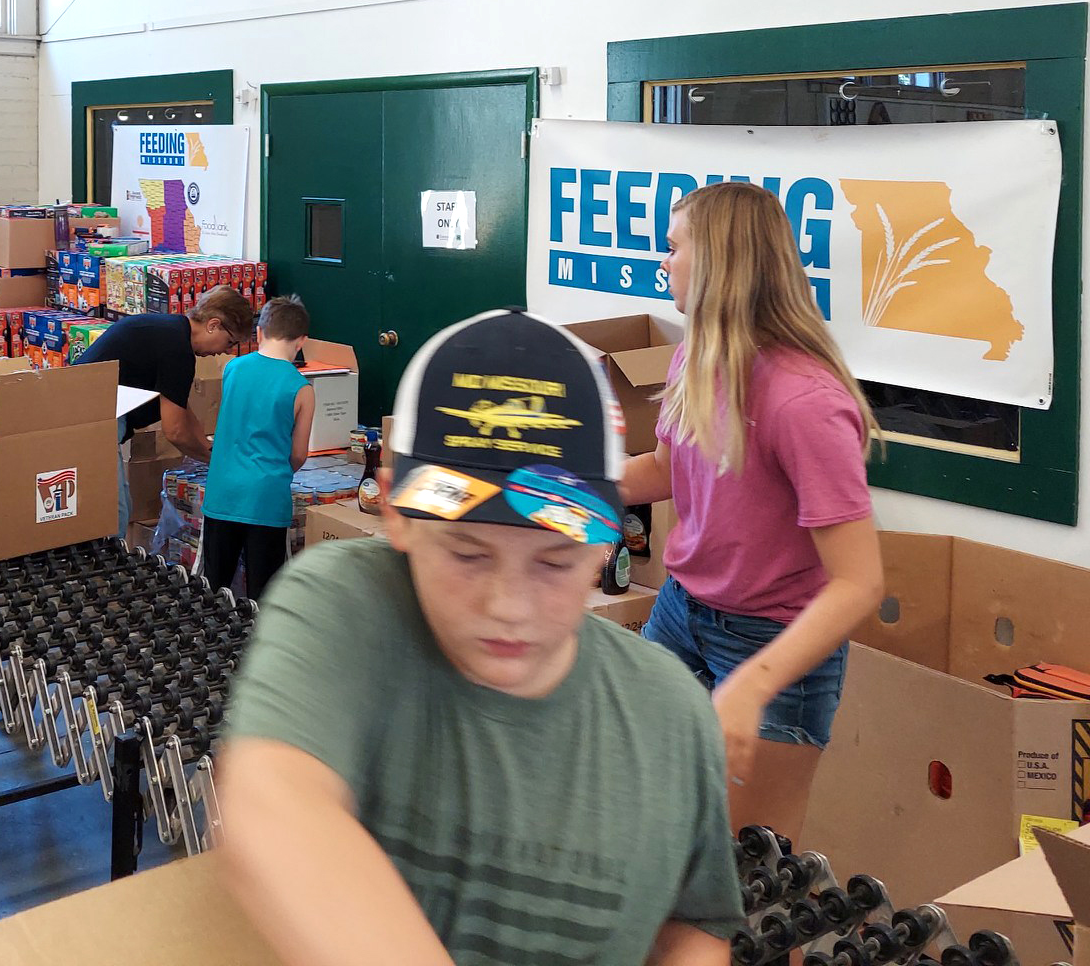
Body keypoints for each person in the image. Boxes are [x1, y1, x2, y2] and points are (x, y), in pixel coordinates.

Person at [219, 310, 744, 966]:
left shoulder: (671, 719)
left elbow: (694, 926)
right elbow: (274, 807)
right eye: (466, 553)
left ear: (610, 537)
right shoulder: (348, 609)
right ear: (394, 512)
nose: (508, 606)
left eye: (554, 562)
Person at [621, 180, 883, 843]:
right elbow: (660, 471)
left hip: (769, 644)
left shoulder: (803, 401)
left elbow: (860, 584)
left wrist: (752, 686)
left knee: (749, 882)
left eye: (673, 247)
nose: (663, 262)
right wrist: (550, 480)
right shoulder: (693, 356)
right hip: (681, 614)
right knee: (658, 835)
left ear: (719, 262)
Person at [77, 284, 256, 535]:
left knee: (119, 507)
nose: (224, 352)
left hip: (85, 410)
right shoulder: (177, 350)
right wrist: (218, 463)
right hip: (87, 417)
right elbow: (175, 432)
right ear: (213, 325)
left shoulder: (171, 331)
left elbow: (182, 411)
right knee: (113, 515)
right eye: (230, 342)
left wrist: (210, 447)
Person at [199, 294, 314, 600]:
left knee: (214, 588)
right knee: (262, 596)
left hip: (223, 492)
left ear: (260, 333)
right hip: (267, 499)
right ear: (301, 341)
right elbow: (299, 454)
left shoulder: (234, 368)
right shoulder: (302, 389)